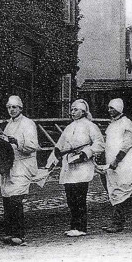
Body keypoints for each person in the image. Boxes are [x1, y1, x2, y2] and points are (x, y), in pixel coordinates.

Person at [53, 99, 104, 237]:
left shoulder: (90, 126)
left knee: (79, 197)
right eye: (72, 109)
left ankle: (81, 227)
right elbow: (60, 145)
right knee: (70, 198)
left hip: (82, 166)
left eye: (76, 109)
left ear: (83, 111)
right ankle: (73, 226)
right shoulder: (69, 127)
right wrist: (56, 154)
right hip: (69, 166)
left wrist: (86, 153)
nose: (72, 112)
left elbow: (99, 144)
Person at [0, 95, 40, 246]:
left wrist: (17, 142)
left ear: (21, 108)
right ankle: (10, 232)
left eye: (14, 107)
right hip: (10, 165)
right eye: (9, 107)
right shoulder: (9, 125)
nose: (11, 110)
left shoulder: (28, 124)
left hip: (23, 165)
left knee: (16, 200)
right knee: (7, 199)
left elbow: (32, 145)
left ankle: (19, 235)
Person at [100, 98, 132, 233]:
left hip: (124, 163)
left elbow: (128, 143)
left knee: (121, 190)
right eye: (109, 108)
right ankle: (116, 220)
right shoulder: (112, 124)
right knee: (114, 190)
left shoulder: (126, 122)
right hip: (112, 164)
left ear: (118, 108)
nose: (109, 110)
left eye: (112, 108)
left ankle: (118, 223)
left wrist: (117, 160)